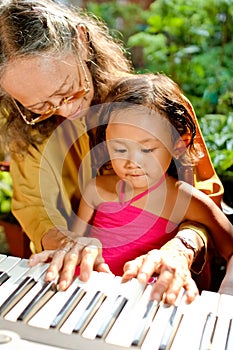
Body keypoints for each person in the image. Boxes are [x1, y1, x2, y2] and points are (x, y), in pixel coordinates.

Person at [0, 0, 227, 301]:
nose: (67, 111)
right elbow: (33, 207)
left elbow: (204, 196)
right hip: (78, 283)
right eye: (41, 108)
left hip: (159, 288)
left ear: (82, 40)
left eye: (70, 89)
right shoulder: (22, 127)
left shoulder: (149, 106)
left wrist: (181, 247)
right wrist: (68, 245)